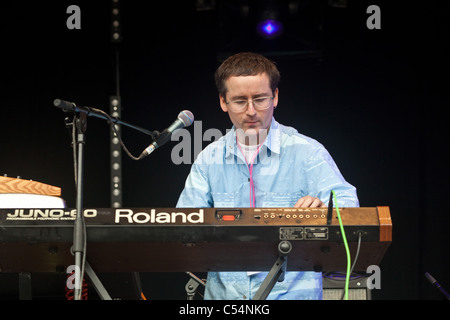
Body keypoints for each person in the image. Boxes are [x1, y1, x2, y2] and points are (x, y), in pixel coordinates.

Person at [176, 52, 359, 300]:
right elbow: (183, 226)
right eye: (240, 101)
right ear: (223, 101)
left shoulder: (307, 152)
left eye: (260, 99)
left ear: (275, 97)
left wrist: (323, 208)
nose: (251, 111)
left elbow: (349, 207)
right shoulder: (209, 159)